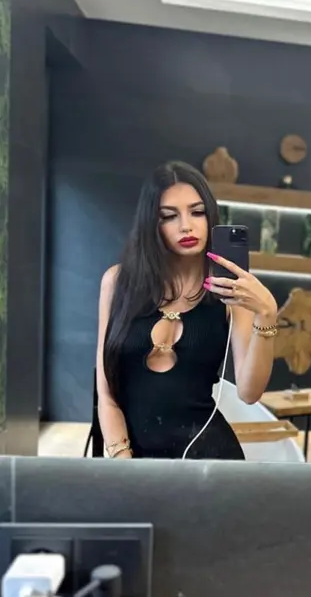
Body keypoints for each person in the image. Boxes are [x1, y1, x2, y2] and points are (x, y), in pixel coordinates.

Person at [96, 161, 278, 460]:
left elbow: (249, 393)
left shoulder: (230, 290)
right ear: (151, 224)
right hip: (132, 461)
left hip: (210, 459)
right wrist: (123, 460)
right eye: (169, 216)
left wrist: (267, 315)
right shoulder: (117, 283)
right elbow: (107, 395)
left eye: (197, 212)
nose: (186, 226)